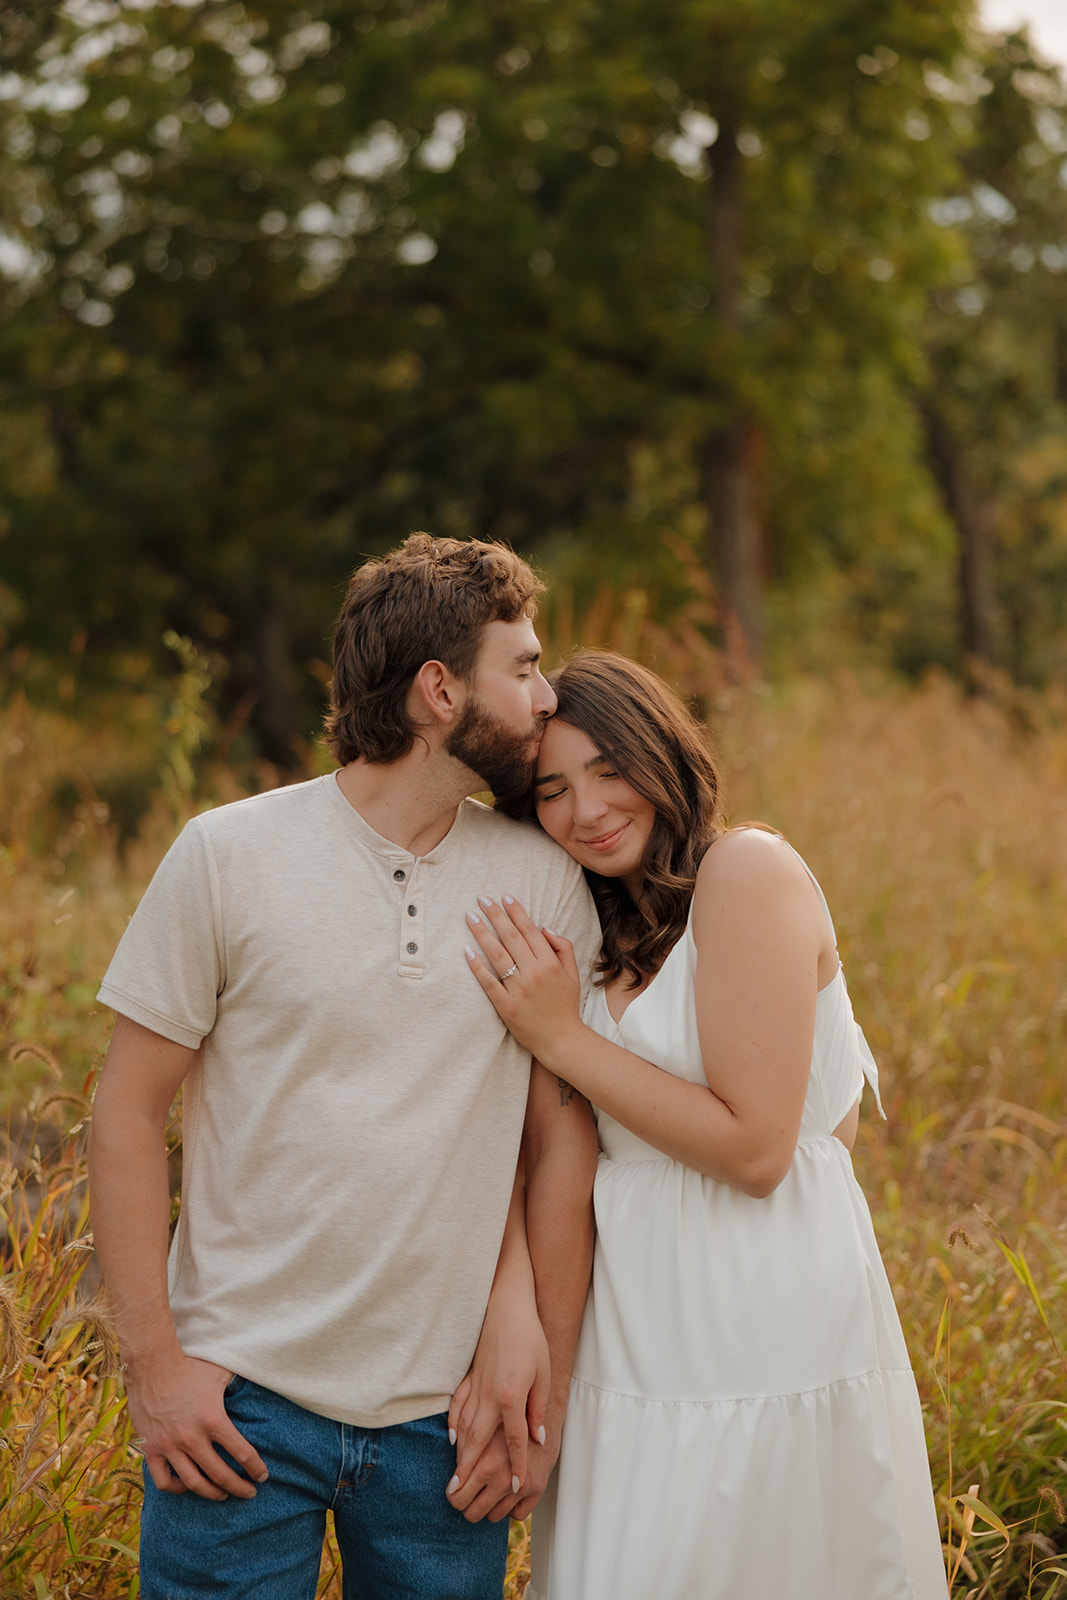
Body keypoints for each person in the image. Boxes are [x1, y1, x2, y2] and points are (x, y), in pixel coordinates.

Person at [88, 534, 602, 1600]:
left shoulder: (544, 882)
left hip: (445, 1424)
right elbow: (126, 1114)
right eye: (524, 666)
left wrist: (533, 1366)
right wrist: (156, 1370)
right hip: (237, 1410)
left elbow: (552, 1142)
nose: (547, 696)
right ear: (436, 688)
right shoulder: (227, 856)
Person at [463, 650, 948, 1600]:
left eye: (609, 768)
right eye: (551, 790)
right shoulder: (593, 930)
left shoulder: (747, 871)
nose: (587, 809)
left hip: (763, 1322)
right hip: (630, 1334)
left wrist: (560, 1037)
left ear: (663, 750)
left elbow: (758, 1150)